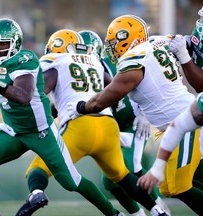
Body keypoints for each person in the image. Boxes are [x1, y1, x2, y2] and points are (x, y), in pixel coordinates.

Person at [0, 18, 128, 216]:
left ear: (15, 43)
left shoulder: (26, 59)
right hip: (14, 130)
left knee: (71, 182)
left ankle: (114, 213)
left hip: (41, 131)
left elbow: (23, 96)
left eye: (3, 43)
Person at [15, 29, 169, 216]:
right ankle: (156, 210)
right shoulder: (95, 61)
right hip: (108, 126)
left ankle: (37, 193)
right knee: (122, 175)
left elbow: (40, 93)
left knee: (37, 168)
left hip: (80, 127)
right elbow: (113, 88)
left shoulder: (57, 62)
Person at [67, 14, 203, 215]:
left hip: (185, 125)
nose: (111, 48)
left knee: (173, 187)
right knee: (193, 179)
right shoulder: (156, 43)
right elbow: (177, 41)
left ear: (127, 39)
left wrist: (81, 107)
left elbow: (103, 100)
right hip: (179, 124)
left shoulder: (135, 60)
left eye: (115, 43)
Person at [79, 30, 170, 216]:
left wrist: (144, 113)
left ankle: (160, 208)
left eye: (83, 54)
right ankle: (138, 214)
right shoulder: (75, 77)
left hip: (132, 121)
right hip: (112, 127)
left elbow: (141, 85)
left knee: (131, 167)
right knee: (109, 181)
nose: (80, 60)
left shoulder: (114, 63)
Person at [138, 92, 203, 193]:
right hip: (181, 121)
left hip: (179, 115)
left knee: (178, 186)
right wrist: (158, 166)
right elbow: (178, 126)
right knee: (167, 189)